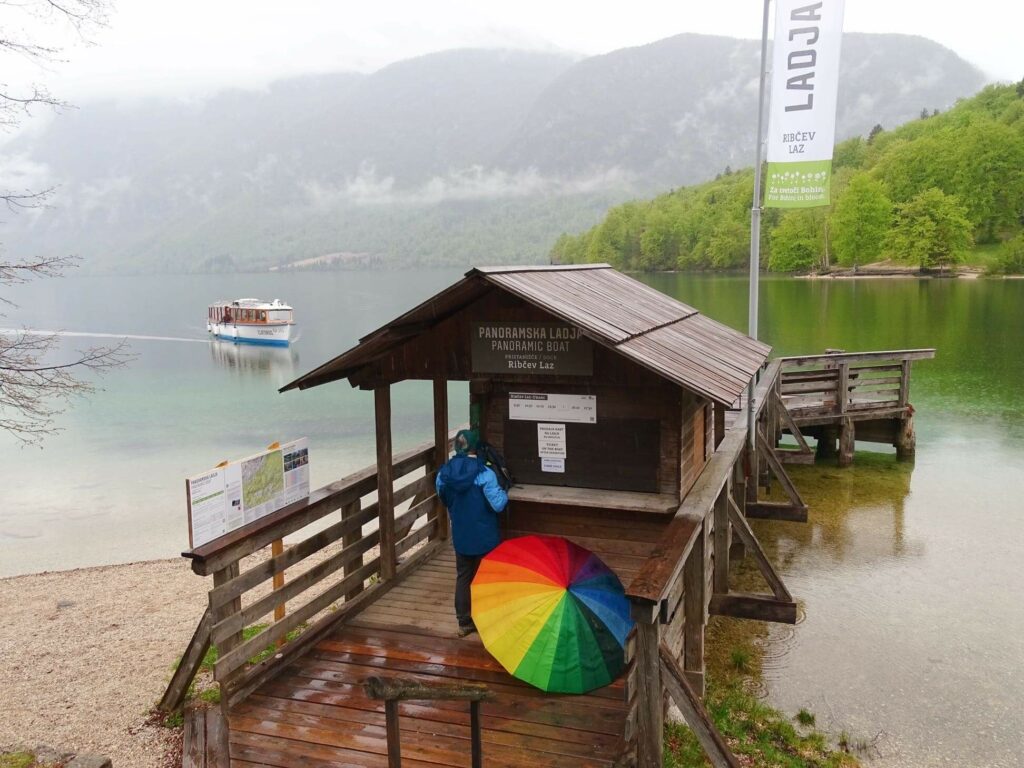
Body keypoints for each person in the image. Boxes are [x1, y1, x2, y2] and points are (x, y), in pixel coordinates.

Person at [435, 429, 508, 637]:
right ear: (476, 447)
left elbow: (443, 496)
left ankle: (464, 622)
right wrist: (504, 493)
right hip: (486, 536)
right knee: (487, 576)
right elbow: (498, 505)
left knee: (463, 576)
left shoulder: (444, 474)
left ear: (456, 447)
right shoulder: (485, 474)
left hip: (461, 534)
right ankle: (489, 619)